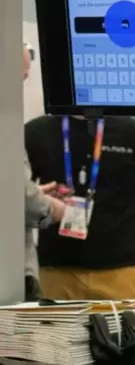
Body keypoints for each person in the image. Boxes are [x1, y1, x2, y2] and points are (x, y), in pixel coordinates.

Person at [25, 115, 135, 324]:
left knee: (127, 341)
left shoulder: (130, 131)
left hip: (118, 268)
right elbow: (16, 190)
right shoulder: (37, 132)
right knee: (54, 342)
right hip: (56, 269)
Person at [23, 45, 65, 300]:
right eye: (20, 77)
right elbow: (20, 199)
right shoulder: (17, 129)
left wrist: (33, 192)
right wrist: (50, 208)